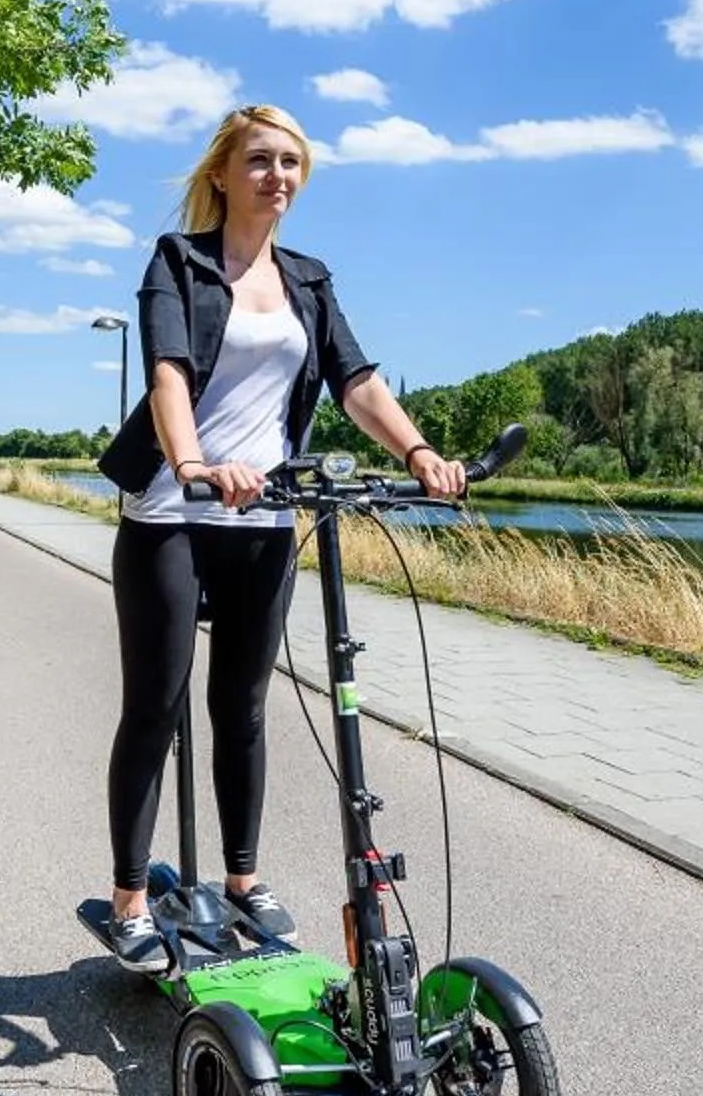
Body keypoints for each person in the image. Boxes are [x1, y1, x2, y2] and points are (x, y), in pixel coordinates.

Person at [94, 104, 467, 973]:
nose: (278, 177)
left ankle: (242, 881)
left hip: (264, 518)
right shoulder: (178, 261)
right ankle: (130, 900)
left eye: (291, 163)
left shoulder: (308, 279)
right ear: (222, 174)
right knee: (155, 705)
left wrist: (418, 452)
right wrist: (193, 463)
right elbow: (168, 372)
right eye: (260, 161)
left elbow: (355, 380)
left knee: (245, 708)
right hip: (175, 513)